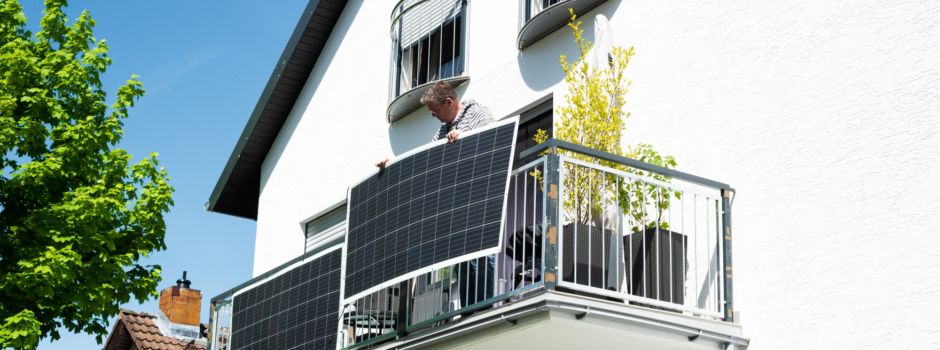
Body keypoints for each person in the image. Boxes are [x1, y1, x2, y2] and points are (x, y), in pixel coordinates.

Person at [375, 82, 495, 168]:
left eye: (435, 111)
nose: (433, 115)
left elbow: (497, 141)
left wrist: (464, 138)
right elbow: (424, 162)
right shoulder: (442, 132)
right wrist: (390, 166)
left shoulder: (478, 113)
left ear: (448, 102)